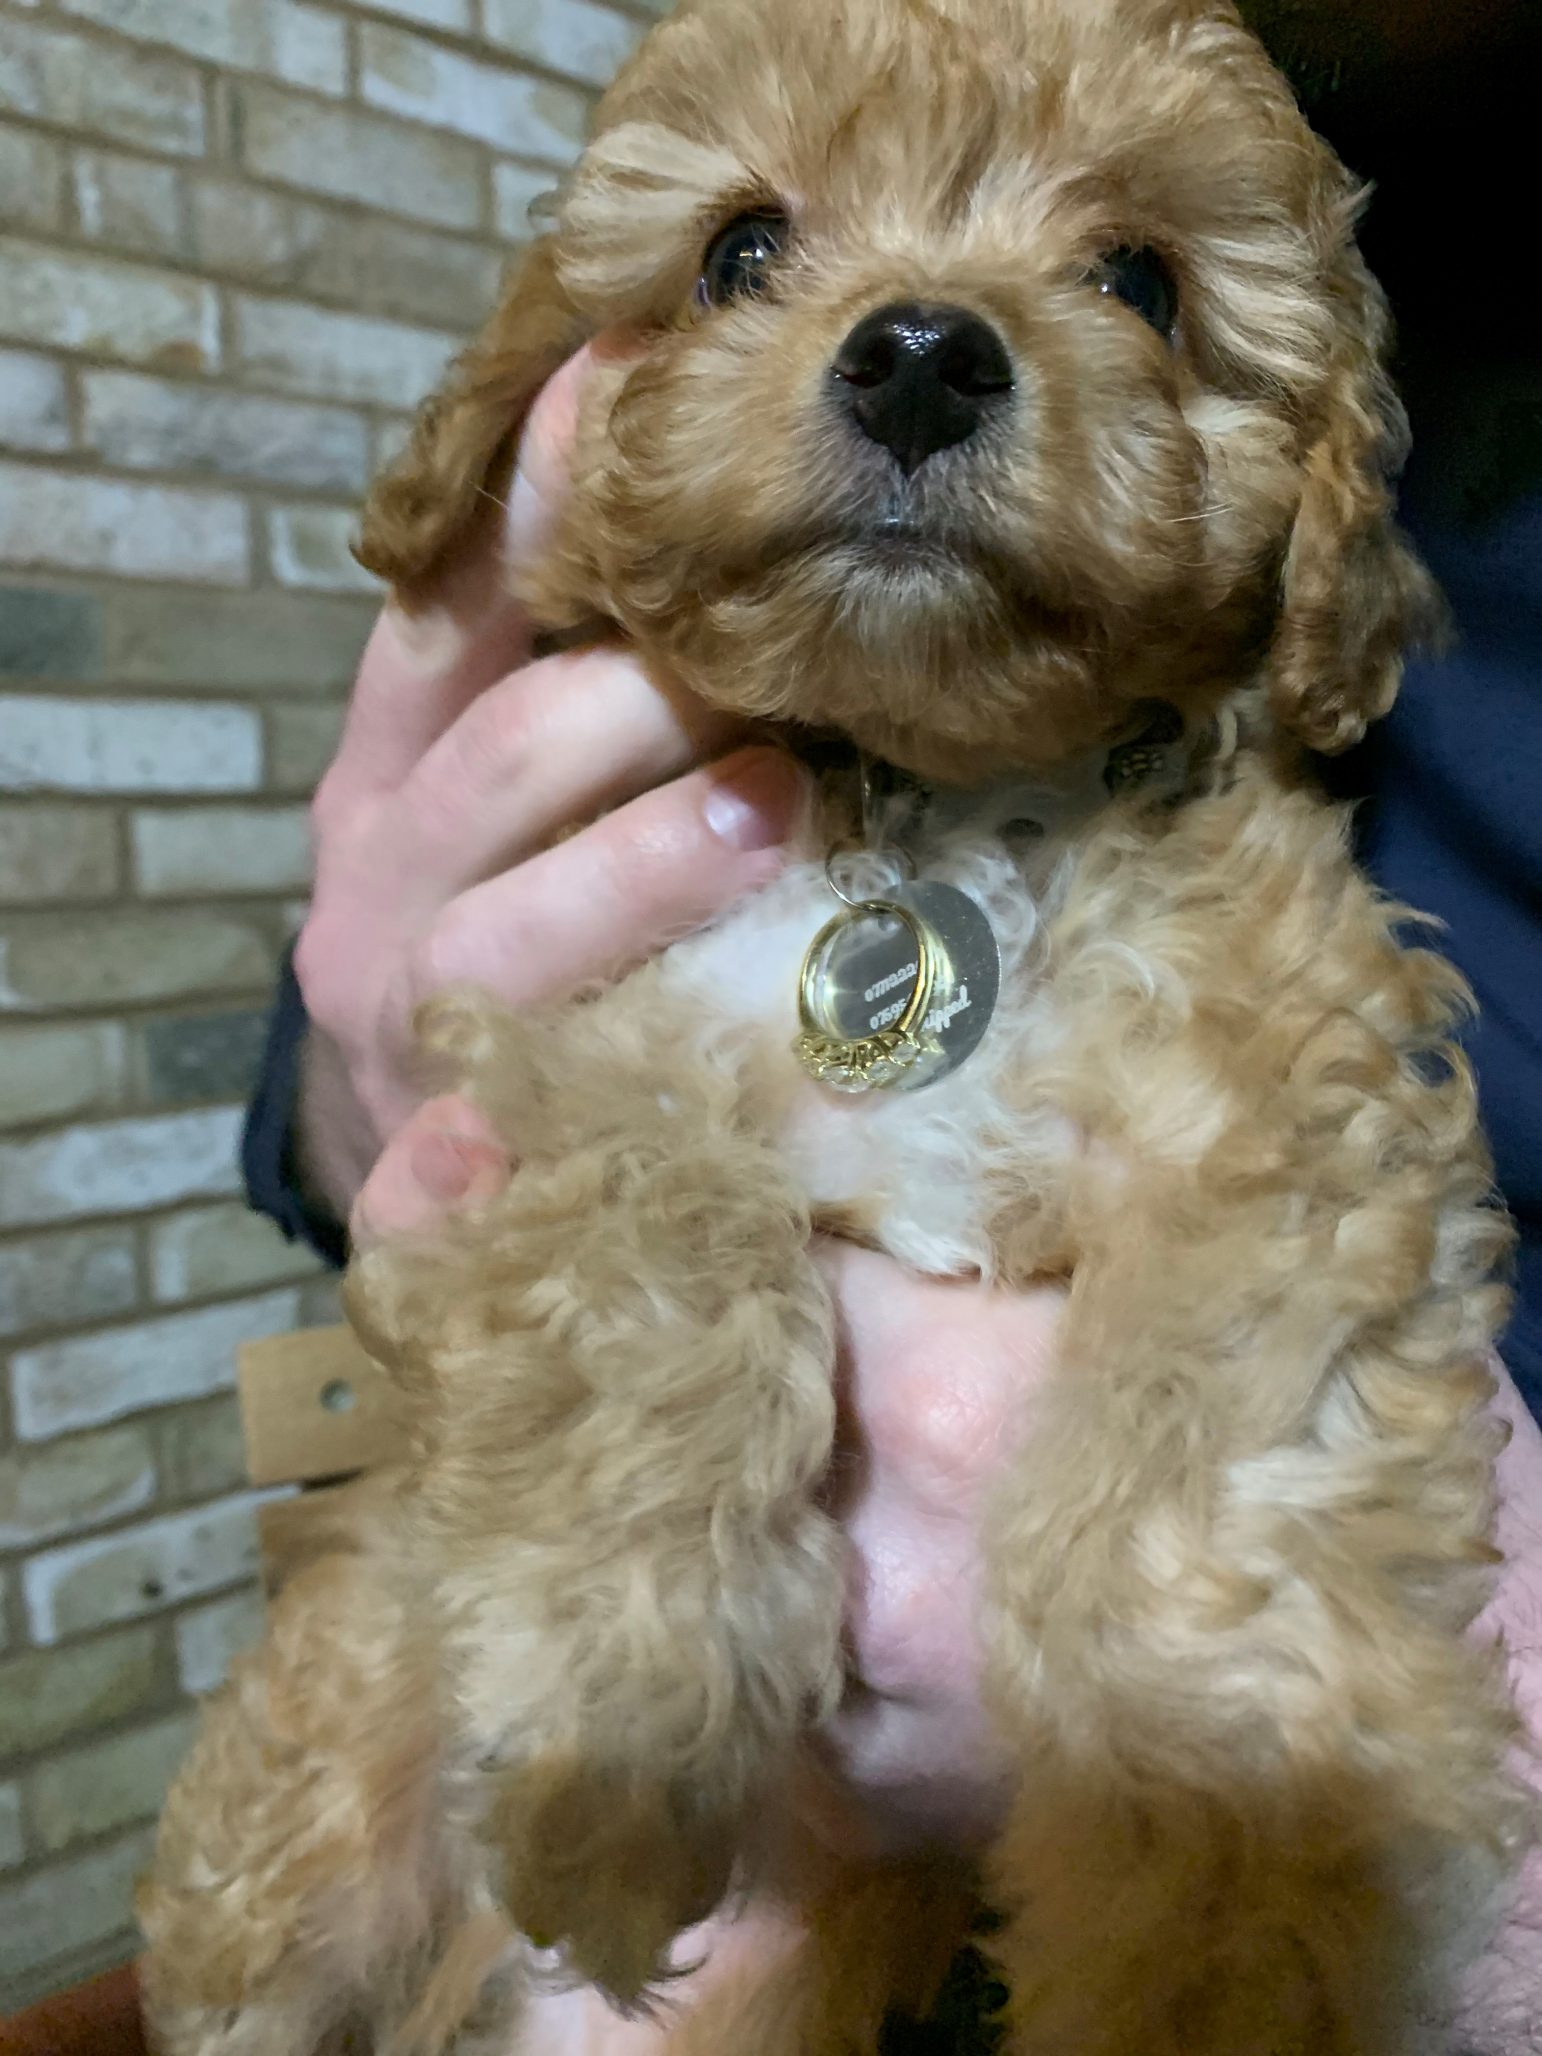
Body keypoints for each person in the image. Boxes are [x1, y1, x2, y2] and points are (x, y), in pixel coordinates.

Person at [242, 0, 1542, 2045]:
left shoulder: (1254, 940)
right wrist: (368, 1067)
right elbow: (359, 1073)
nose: (924, 337)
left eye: (1130, 280)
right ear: (549, 395)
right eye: (751, 253)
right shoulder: (627, 752)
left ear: (1321, 496)